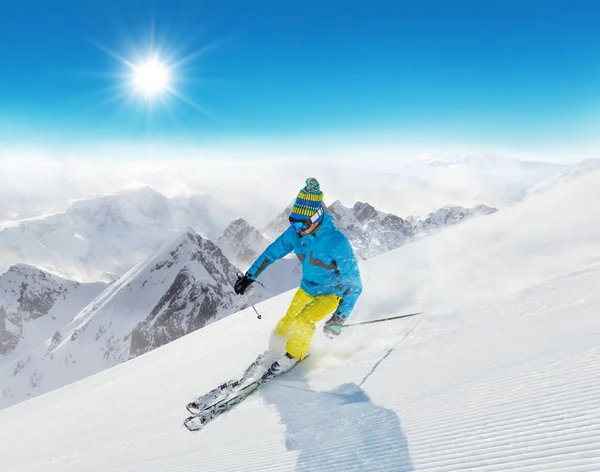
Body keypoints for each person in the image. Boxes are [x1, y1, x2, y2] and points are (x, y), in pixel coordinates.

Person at [234, 177, 362, 375]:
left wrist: (339, 318)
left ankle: (294, 356)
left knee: (304, 321)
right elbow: (271, 254)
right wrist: (249, 277)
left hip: (330, 293)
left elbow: (354, 285)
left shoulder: (336, 242)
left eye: (301, 225)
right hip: (307, 288)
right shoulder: (295, 233)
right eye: (293, 223)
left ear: (316, 218)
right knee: (288, 321)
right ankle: (274, 351)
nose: (297, 230)